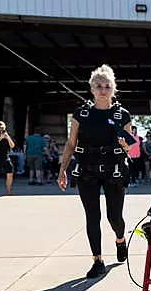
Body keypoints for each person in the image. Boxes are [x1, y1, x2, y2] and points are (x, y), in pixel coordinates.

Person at [57, 64, 134, 278]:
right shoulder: (81, 113)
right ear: (91, 89)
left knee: (114, 216)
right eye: (98, 86)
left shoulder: (121, 114)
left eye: (107, 86)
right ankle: (97, 260)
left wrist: (124, 142)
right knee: (92, 216)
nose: (102, 90)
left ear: (113, 89)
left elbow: (130, 145)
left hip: (114, 170)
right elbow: (71, 143)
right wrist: (62, 169)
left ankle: (120, 239)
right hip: (86, 170)